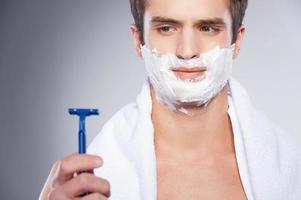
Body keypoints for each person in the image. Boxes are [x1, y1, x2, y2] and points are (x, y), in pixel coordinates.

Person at [39, 0, 301, 199]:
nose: (187, 51)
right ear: (137, 40)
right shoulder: (96, 175)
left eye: (208, 27)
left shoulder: (291, 169)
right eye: (166, 28)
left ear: (238, 41)